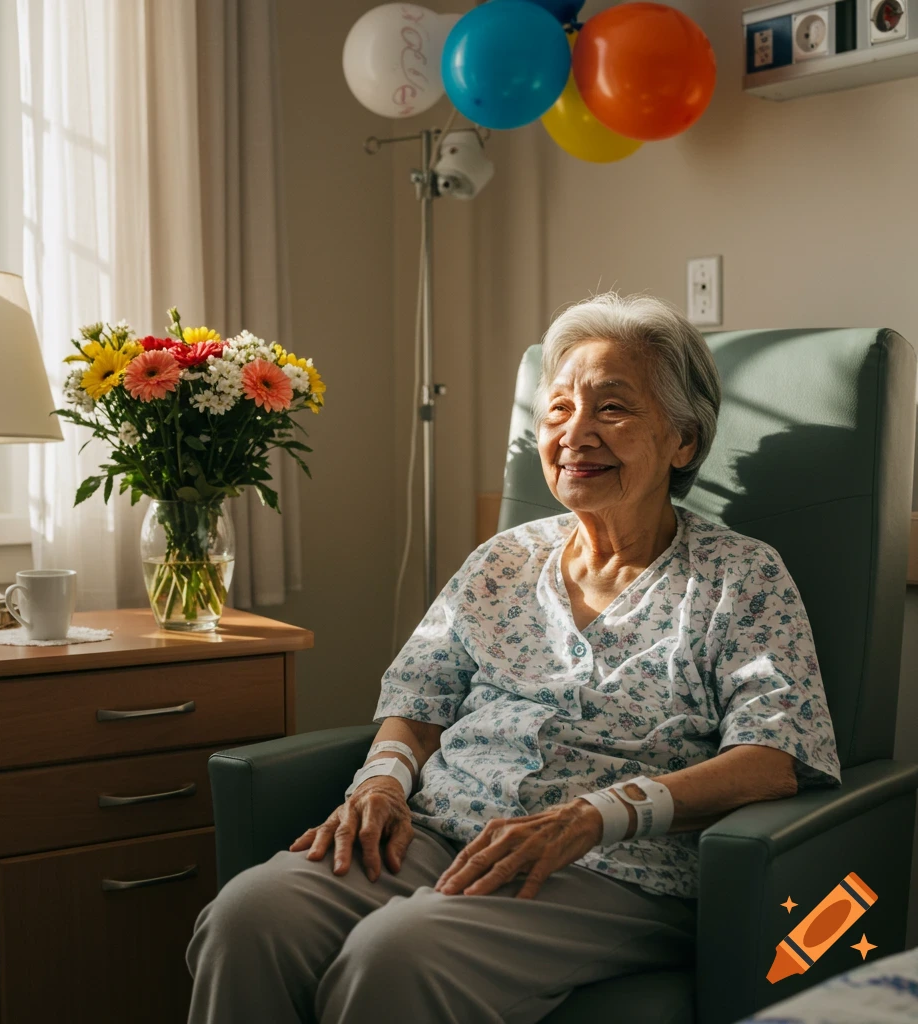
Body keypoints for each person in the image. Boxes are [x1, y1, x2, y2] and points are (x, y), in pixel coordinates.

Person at [186, 292, 842, 1024]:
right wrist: (379, 786)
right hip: (436, 833)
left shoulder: (739, 576)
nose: (576, 434)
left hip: (612, 870)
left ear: (683, 441)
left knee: (397, 956)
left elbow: (773, 756)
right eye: (558, 409)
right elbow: (419, 699)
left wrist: (598, 815)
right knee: (246, 917)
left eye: (613, 410)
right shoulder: (504, 560)